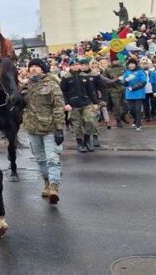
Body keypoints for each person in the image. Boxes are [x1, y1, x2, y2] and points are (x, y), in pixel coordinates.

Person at [21, 59, 65, 204]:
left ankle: (54, 187)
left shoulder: (51, 84)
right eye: (31, 67)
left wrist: (59, 128)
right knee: (40, 159)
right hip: (32, 127)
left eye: (36, 67)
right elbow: (17, 101)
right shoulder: (25, 86)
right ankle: (47, 182)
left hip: (49, 127)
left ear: (43, 69)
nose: (33, 69)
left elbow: (58, 107)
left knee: (52, 159)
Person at [60, 59, 99, 153]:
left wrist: (95, 102)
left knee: (90, 121)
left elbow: (91, 90)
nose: (75, 66)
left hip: (86, 102)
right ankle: (80, 143)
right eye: (73, 65)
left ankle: (87, 140)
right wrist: (66, 103)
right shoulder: (66, 77)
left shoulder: (84, 76)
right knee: (77, 125)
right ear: (70, 66)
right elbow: (63, 92)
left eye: (77, 64)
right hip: (73, 104)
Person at [121, 59, 148, 131]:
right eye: (130, 64)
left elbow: (143, 82)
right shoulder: (126, 72)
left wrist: (133, 88)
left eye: (133, 64)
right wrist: (126, 81)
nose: (131, 65)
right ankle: (136, 119)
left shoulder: (140, 72)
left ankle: (138, 124)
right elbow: (123, 83)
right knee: (131, 109)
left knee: (138, 109)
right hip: (129, 94)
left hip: (139, 93)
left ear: (136, 65)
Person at [103, 59, 130, 127]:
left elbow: (128, 76)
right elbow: (104, 79)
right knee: (116, 106)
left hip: (124, 89)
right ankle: (118, 120)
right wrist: (110, 86)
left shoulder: (123, 67)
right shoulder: (108, 69)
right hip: (114, 90)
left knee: (127, 105)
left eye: (117, 60)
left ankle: (122, 115)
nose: (115, 61)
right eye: (114, 60)